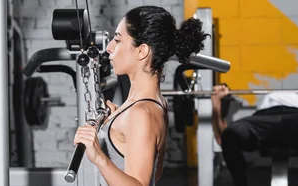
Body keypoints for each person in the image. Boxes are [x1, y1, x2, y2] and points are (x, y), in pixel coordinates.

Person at [72, 6, 208, 186]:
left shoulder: (141, 114)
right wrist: (115, 123)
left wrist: (99, 157)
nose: (110, 48)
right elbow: (154, 174)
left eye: (118, 40)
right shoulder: (152, 105)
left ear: (142, 51)